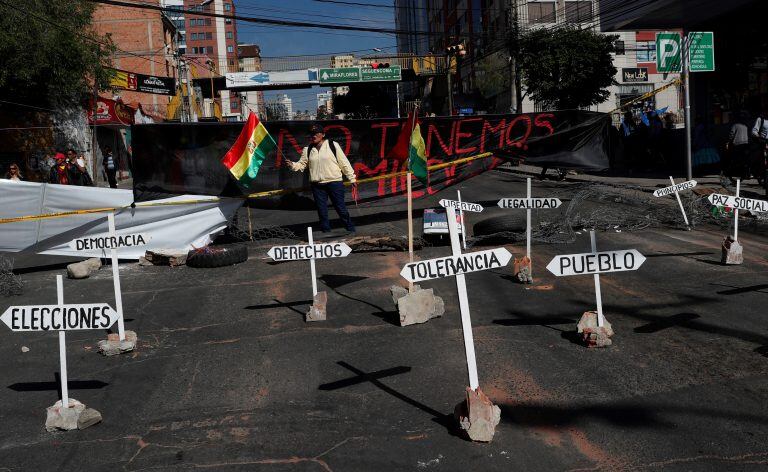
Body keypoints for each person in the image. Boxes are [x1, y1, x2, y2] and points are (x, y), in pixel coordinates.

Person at [288, 124, 357, 234]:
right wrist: (292, 165)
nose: (313, 136)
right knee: (322, 210)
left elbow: (344, 162)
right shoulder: (308, 149)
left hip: (334, 182)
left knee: (341, 208)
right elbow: (302, 164)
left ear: (323, 134)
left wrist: (352, 178)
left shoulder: (332, 145)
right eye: (312, 134)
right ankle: (326, 233)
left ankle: (350, 229)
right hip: (317, 185)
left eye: (316, 133)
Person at [725, 114, 750, 183]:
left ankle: (733, 173)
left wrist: (728, 142)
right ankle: (745, 173)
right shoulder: (745, 126)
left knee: (734, 159)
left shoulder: (735, 125)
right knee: (744, 160)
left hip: (737, 144)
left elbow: (731, 134)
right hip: (745, 144)